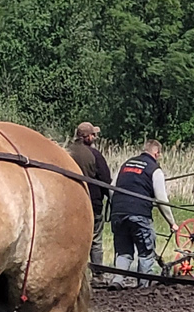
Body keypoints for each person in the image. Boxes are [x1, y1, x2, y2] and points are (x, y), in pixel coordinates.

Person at [108, 139, 177, 287]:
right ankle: (143, 285)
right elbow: (161, 199)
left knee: (123, 252)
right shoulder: (154, 169)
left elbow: (111, 188)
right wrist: (172, 222)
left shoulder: (125, 164)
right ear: (156, 153)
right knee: (146, 252)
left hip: (118, 213)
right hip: (139, 215)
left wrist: (118, 206)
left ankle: (117, 281)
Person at [66, 121, 113, 269]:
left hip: (69, 203)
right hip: (92, 202)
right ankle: (98, 272)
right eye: (93, 135)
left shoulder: (66, 152)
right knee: (95, 240)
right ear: (87, 137)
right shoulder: (95, 155)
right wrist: (111, 199)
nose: (95, 137)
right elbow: (105, 180)